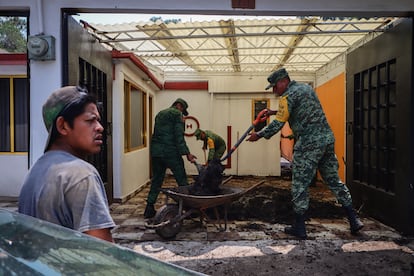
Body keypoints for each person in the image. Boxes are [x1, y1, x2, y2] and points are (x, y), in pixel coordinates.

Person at [247, 68, 363, 239]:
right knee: (334, 181)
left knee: (299, 185)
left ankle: (299, 227)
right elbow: (302, 111)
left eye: (274, 87)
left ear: (283, 82)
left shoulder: (287, 97)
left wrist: (259, 134)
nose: (274, 91)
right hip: (327, 139)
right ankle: (354, 220)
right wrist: (273, 112)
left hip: (308, 143)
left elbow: (278, 124)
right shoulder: (306, 89)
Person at [18, 86, 115, 242]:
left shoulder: (36, 170)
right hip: (68, 267)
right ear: (63, 126)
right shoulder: (82, 175)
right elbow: (104, 252)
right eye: (90, 120)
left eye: (98, 120)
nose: (100, 127)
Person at [144, 98, 197, 219]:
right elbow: (179, 136)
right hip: (170, 152)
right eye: (183, 110)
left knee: (157, 180)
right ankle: (186, 208)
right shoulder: (177, 114)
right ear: (179, 106)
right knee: (182, 180)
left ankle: (149, 207)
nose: (182, 113)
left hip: (156, 152)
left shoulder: (160, 114)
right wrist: (187, 153)